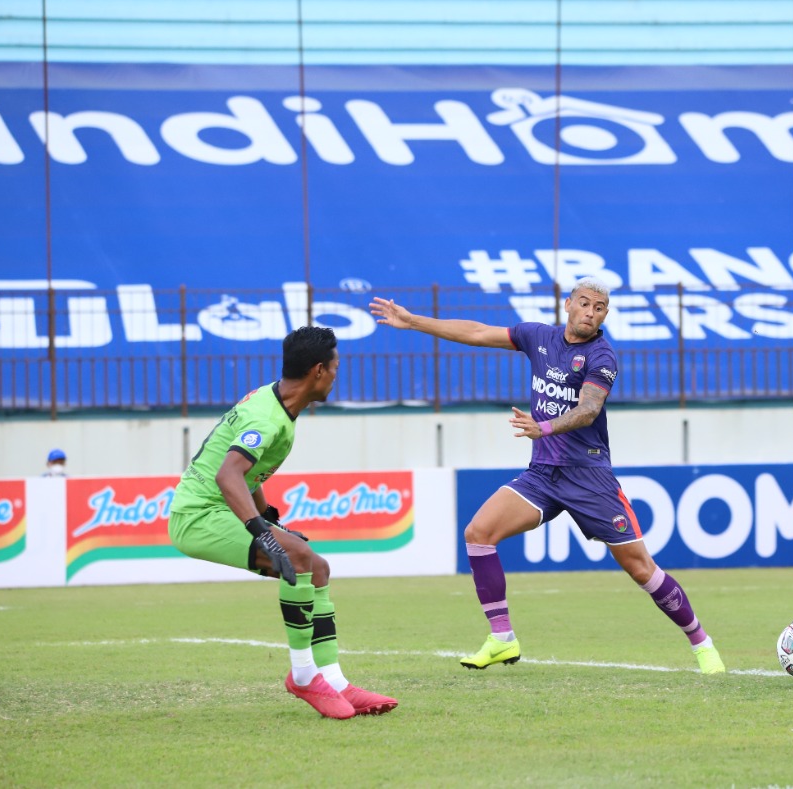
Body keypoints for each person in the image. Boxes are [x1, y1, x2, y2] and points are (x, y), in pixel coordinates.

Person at [370, 278, 726, 674]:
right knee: (478, 533)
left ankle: (702, 643)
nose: (591, 312)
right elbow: (475, 332)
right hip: (542, 475)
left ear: (605, 315)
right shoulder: (537, 337)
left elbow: (589, 410)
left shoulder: (601, 356)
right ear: (568, 304)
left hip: (589, 476)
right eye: (585, 304)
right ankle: (502, 638)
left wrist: (546, 428)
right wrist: (413, 321)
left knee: (641, 567)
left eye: (600, 308)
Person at [168, 325, 397, 719]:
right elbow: (228, 476)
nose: (338, 375)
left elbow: (247, 473)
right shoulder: (268, 420)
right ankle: (304, 675)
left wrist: (269, 517)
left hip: (221, 507)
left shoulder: (274, 402)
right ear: (318, 370)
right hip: (199, 516)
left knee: (317, 567)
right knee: (300, 556)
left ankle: (335, 680)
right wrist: (262, 531)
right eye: (337, 366)